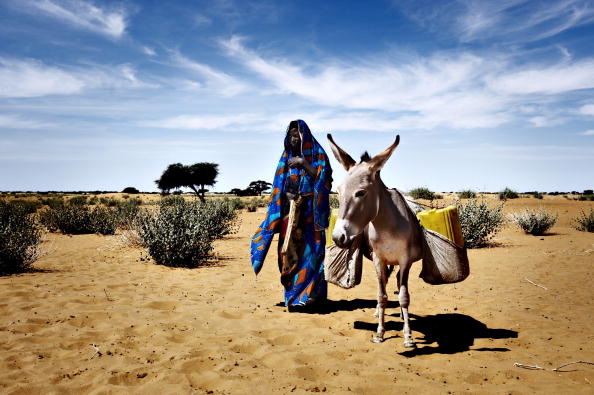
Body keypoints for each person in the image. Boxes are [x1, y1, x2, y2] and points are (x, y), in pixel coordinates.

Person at [251, 120, 332, 309]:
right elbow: (279, 185)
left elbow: (325, 179)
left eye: (298, 136)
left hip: (312, 216)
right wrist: (287, 195)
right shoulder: (285, 158)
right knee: (288, 252)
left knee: (313, 254)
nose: (294, 139)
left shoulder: (317, 155)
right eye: (291, 135)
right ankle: (293, 297)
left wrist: (304, 163)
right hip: (291, 214)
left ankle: (313, 298)